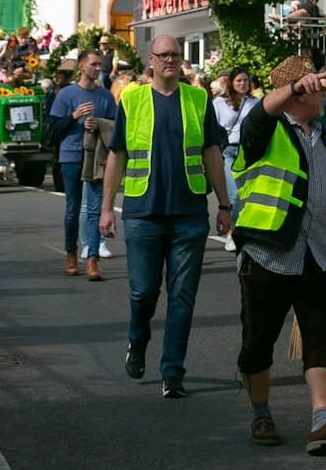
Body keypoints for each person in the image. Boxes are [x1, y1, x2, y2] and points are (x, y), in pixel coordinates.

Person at [234, 55, 326, 455]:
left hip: (321, 257)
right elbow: (259, 113)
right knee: (259, 342)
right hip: (269, 255)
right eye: (315, 86)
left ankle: (322, 423)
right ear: (298, 93)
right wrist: (293, 86)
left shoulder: (323, 136)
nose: (324, 91)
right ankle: (261, 412)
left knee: (322, 342)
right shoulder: (264, 132)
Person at [98, 35, 233, 399]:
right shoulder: (133, 99)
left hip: (189, 214)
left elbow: (211, 153)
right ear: (151, 61)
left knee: (182, 297)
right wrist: (107, 207)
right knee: (143, 292)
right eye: (164, 55)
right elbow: (118, 155)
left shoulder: (198, 99)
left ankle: (173, 371)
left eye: (175, 54)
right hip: (143, 212)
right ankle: (137, 340)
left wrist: (223, 204)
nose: (170, 60)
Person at [51, 51, 120, 278]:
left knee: (93, 210)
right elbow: (52, 131)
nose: (97, 68)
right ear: (81, 66)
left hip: (96, 158)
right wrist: (73, 116)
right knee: (72, 209)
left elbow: (115, 126)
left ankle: (92, 260)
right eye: (93, 64)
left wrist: (98, 123)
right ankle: (71, 254)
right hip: (71, 156)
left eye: (100, 64)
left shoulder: (105, 96)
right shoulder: (66, 94)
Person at [213, 68, 260, 238]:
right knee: (233, 194)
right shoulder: (219, 102)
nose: (242, 84)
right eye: (239, 80)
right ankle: (231, 232)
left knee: (248, 195)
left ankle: (242, 229)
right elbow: (213, 128)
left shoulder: (255, 102)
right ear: (232, 83)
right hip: (227, 151)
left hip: (247, 151)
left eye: (245, 81)